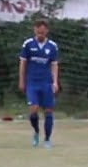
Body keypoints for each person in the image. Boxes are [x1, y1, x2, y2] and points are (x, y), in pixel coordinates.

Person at [18, 19, 60, 149]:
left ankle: (47, 139)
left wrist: (55, 81)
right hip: (32, 83)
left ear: (46, 31)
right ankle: (36, 131)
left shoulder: (52, 46)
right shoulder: (28, 44)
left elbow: (54, 65)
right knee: (33, 109)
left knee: (48, 110)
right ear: (34, 30)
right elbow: (23, 64)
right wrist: (21, 80)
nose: (40, 34)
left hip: (46, 83)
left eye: (43, 31)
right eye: (38, 31)